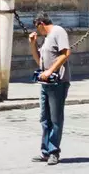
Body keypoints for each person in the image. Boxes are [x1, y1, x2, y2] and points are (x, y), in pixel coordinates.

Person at [30, 12, 72, 164]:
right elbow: (39, 60)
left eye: (37, 27)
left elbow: (66, 53)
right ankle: (45, 151)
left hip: (58, 82)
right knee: (44, 118)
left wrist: (50, 71)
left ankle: (54, 151)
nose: (37, 31)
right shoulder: (47, 39)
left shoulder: (58, 31)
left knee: (55, 118)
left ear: (41, 24)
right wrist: (33, 44)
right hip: (45, 83)